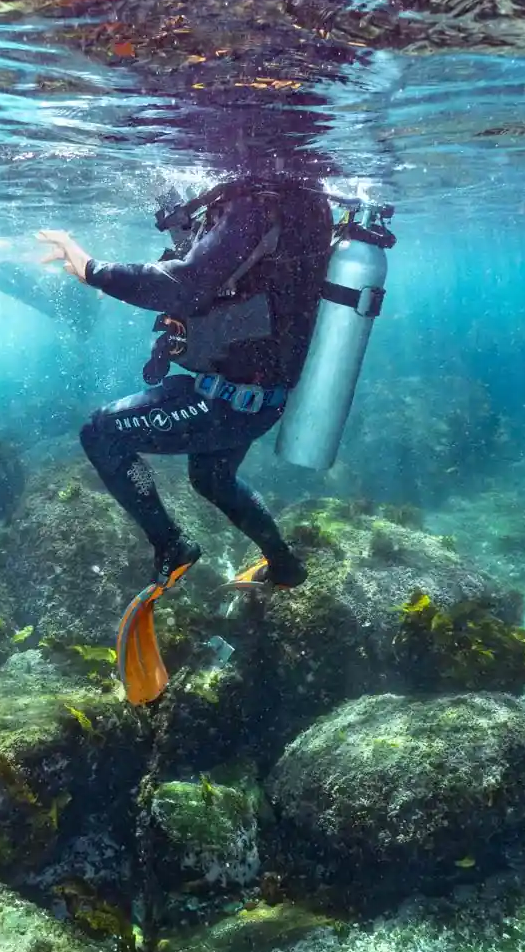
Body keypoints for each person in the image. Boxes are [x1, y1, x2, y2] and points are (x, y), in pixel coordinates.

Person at [35, 174, 335, 702]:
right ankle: (284, 564)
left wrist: (90, 268)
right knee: (212, 476)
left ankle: (172, 546)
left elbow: (181, 286)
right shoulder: (302, 203)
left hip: (223, 400)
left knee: (101, 433)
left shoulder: (256, 202)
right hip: (256, 397)